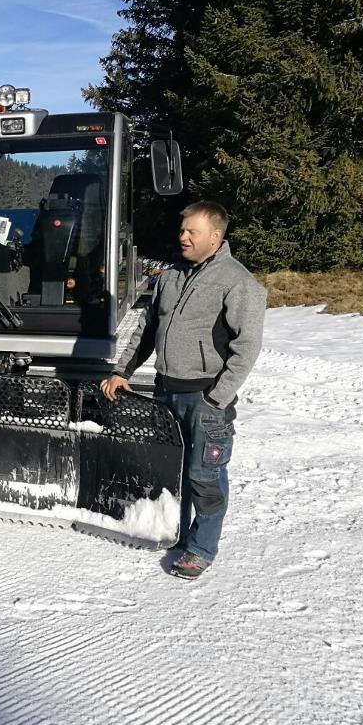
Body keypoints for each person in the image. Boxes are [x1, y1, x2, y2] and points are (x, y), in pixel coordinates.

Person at [99, 201, 266, 580]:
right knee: (173, 472)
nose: (183, 237)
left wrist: (216, 397)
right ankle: (176, 534)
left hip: (206, 397)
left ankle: (201, 548)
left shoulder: (238, 282)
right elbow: (147, 330)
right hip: (166, 392)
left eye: (192, 231)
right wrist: (122, 370)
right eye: (182, 231)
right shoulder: (171, 275)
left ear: (215, 237)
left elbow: (247, 346)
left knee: (204, 475)